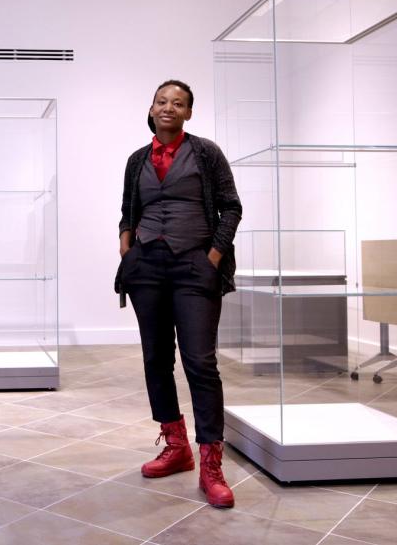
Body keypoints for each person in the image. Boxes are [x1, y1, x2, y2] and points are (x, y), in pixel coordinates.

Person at [115, 79, 242, 509]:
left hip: (195, 263)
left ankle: (211, 462)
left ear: (189, 112)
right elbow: (127, 210)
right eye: (162, 101)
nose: (169, 107)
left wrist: (213, 256)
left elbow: (231, 207)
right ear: (151, 109)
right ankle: (177, 445)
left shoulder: (206, 153)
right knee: (156, 358)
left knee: (200, 362)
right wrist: (126, 244)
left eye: (179, 103)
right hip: (147, 266)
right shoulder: (136, 160)